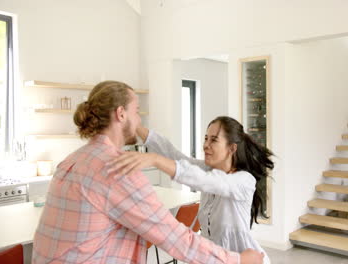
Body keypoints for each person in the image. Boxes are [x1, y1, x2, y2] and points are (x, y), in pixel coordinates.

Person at [32, 81, 263, 264]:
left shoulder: (71, 161)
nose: (140, 118)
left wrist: (142, 141)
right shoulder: (119, 169)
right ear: (121, 114)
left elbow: (199, 175)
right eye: (137, 111)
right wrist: (237, 261)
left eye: (214, 140)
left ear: (232, 147)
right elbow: (175, 237)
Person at [107, 116, 274, 264]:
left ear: (232, 148)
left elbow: (208, 181)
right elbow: (173, 155)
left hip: (246, 259)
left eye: (214, 140)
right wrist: (134, 125)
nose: (206, 145)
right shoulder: (208, 170)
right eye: (206, 138)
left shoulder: (243, 180)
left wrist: (154, 160)